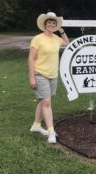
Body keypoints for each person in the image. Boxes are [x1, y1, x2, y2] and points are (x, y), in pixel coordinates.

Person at [28, 11, 69, 143]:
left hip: (53, 75)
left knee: (43, 101)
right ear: (45, 25)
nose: (51, 24)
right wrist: (32, 77)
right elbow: (31, 58)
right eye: (49, 22)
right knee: (46, 102)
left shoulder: (56, 39)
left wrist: (61, 30)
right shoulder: (37, 39)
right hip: (40, 74)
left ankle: (36, 125)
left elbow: (67, 42)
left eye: (53, 23)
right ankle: (51, 131)